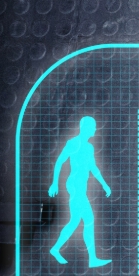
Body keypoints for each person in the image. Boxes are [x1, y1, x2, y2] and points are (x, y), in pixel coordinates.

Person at [48, 115, 113, 268]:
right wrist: (54, 184)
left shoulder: (89, 147)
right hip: (75, 187)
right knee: (88, 220)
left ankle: (56, 248)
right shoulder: (73, 143)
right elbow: (59, 161)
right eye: (93, 127)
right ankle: (92, 259)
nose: (95, 130)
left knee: (75, 221)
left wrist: (105, 185)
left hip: (80, 187)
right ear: (86, 128)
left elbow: (93, 168)